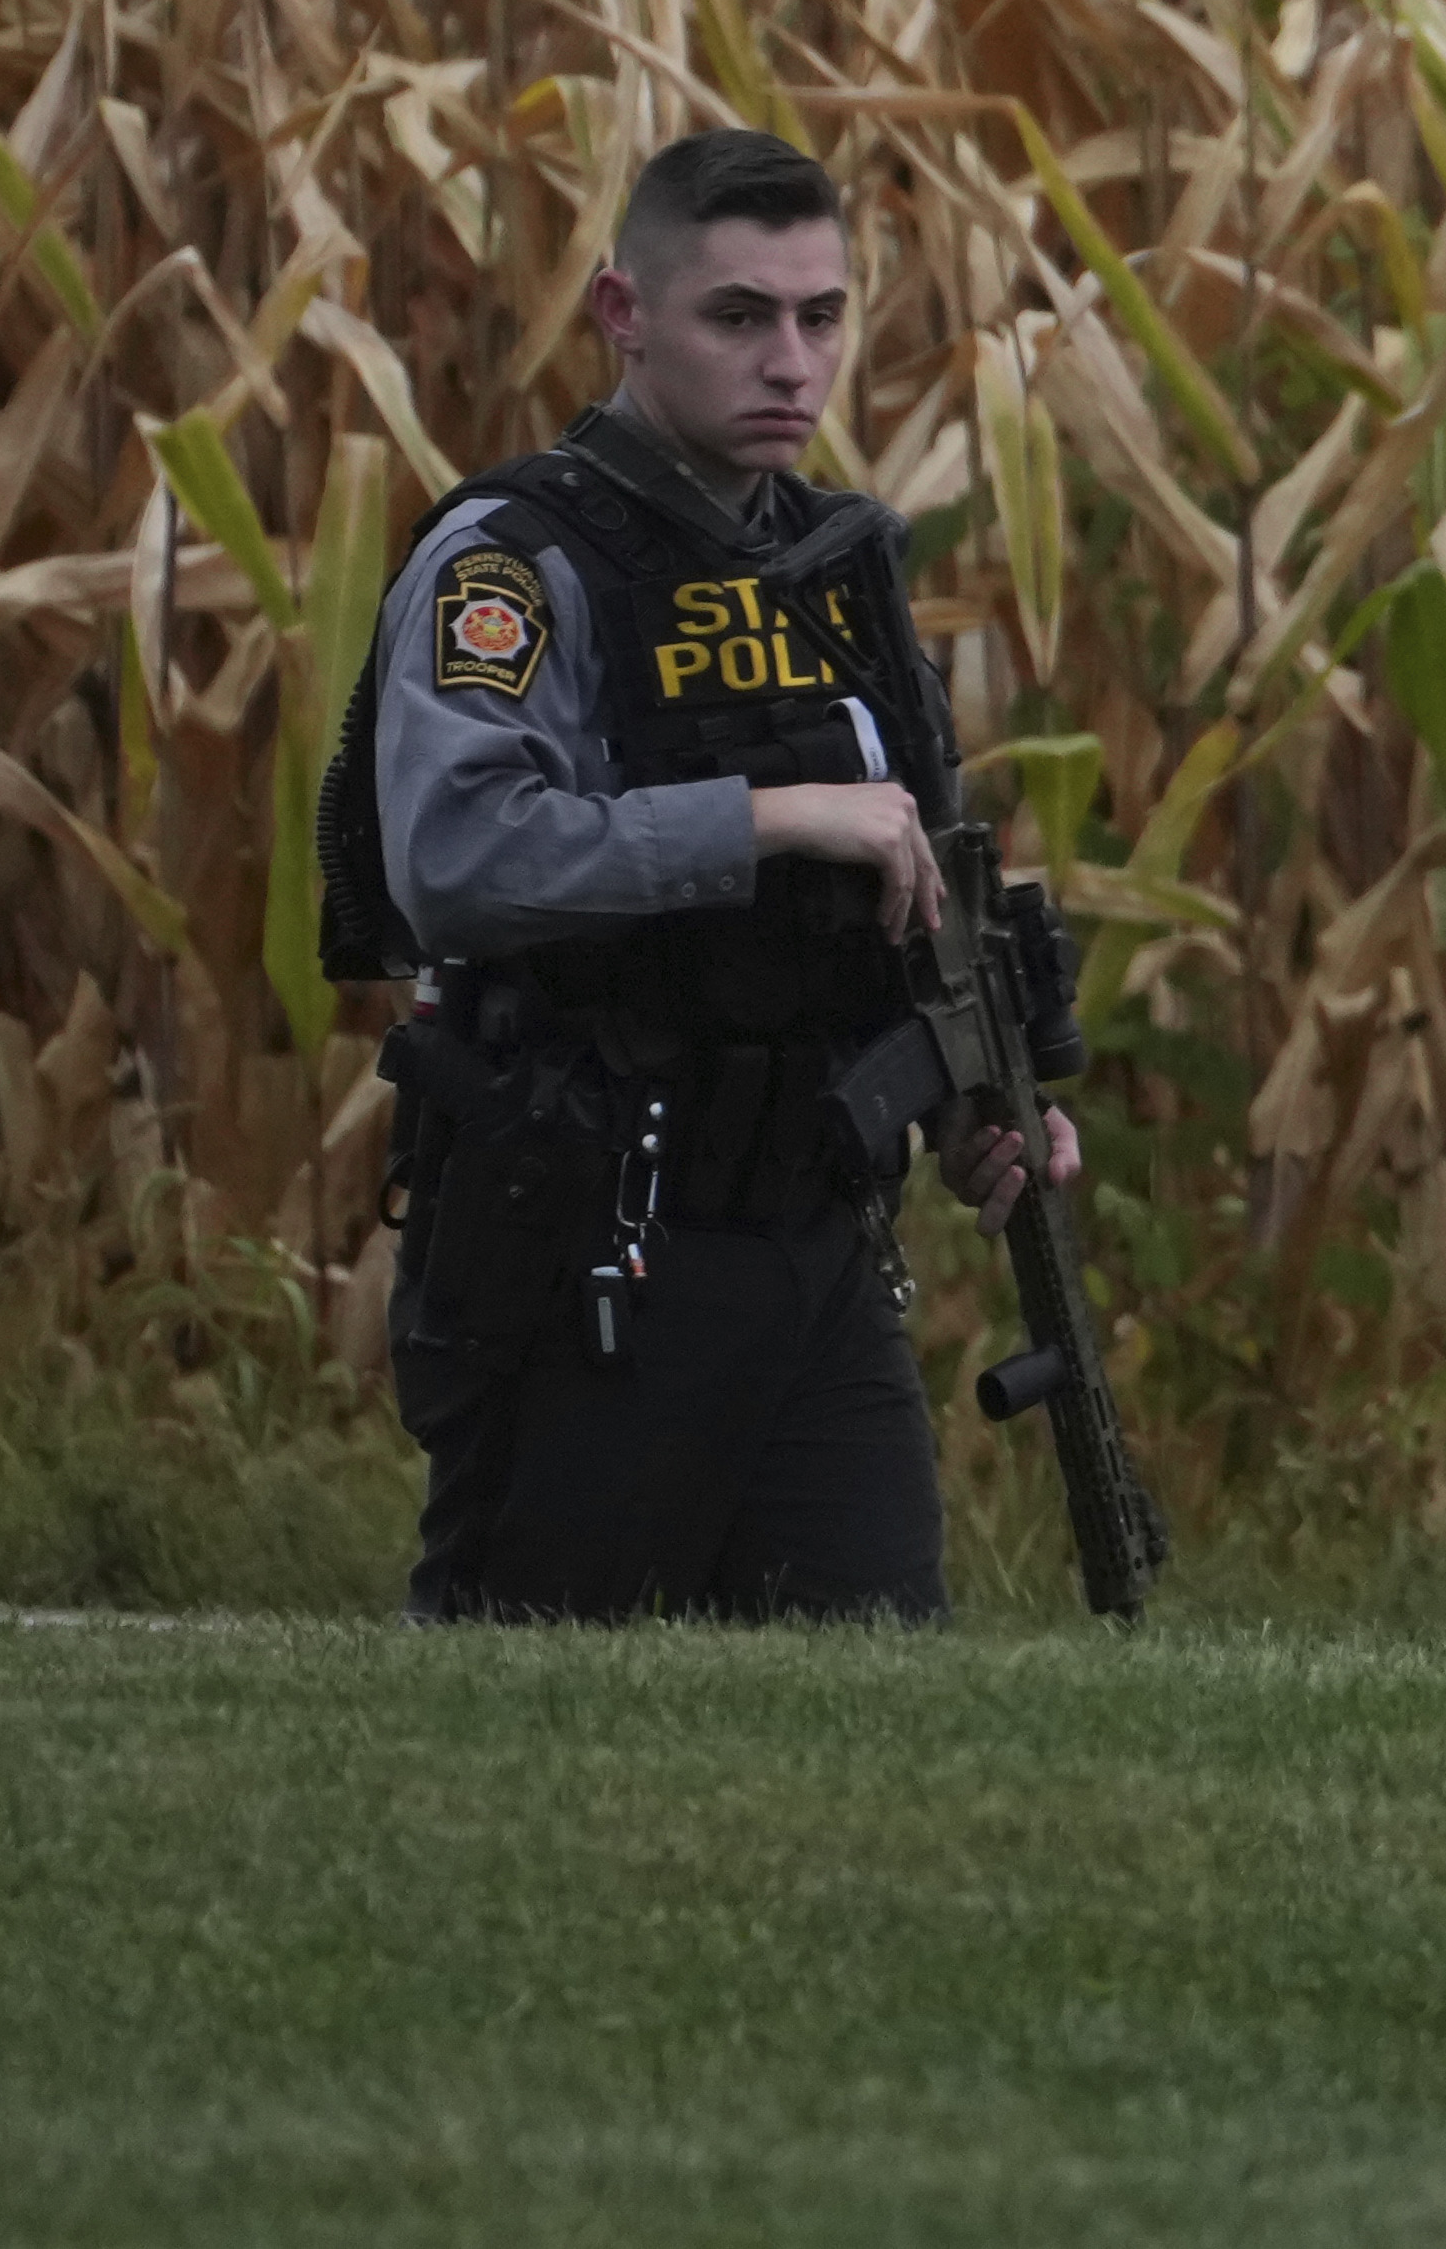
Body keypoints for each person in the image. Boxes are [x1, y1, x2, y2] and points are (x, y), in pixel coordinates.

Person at [308, 120, 1080, 1624]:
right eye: (738, 315)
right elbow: (459, 854)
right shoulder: (519, 559)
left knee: (873, 1719)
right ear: (624, 314)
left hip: (816, 1255)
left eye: (821, 315)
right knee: (533, 1719)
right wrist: (770, 814)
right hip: (592, 1241)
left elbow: (912, 891)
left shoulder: (841, 567)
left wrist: (983, 1100)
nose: (790, 361)